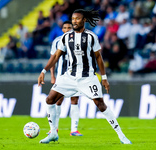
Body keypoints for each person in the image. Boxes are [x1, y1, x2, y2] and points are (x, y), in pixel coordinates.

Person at [38, 9, 132, 144]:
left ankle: (121, 136)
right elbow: (56, 56)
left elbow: (98, 57)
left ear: (84, 20)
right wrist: (44, 71)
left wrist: (104, 78)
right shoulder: (66, 37)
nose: (74, 21)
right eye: (73, 18)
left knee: (101, 105)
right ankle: (53, 133)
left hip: (87, 78)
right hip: (69, 77)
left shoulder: (91, 36)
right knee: (49, 100)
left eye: (77, 19)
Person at [48, 20, 83, 136]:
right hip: (61, 76)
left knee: (75, 100)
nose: (67, 30)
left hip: (75, 76)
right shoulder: (57, 41)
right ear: (62, 29)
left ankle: (74, 130)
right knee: (58, 100)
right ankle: (54, 128)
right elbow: (53, 59)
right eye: (65, 28)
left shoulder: (79, 41)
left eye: (69, 27)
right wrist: (52, 75)